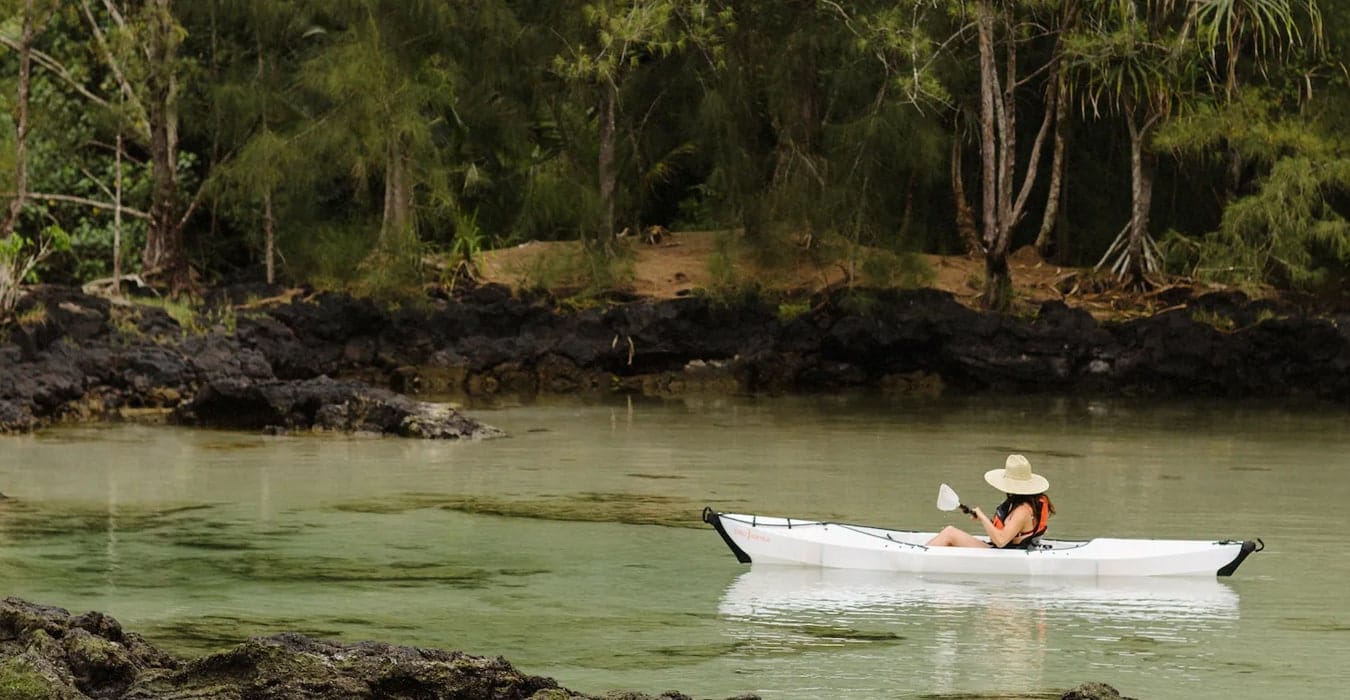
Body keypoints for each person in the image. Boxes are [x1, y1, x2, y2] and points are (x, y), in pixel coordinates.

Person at [926, 454, 1055, 548]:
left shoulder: (1023, 510)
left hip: (1007, 557)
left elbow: (1000, 541)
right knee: (950, 536)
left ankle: (919, 558)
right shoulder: (1026, 504)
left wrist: (982, 517)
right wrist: (985, 521)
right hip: (1007, 553)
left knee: (949, 533)